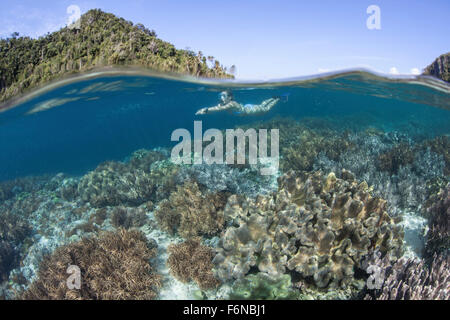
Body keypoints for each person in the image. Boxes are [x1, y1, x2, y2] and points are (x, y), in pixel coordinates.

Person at [195, 90, 282, 115]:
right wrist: (207, 111)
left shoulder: (231, 103)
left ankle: (277, 99)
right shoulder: (224, 103)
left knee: (266, 109)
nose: (221, 98)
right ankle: (272, 98)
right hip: (246, 107)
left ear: (229, 97)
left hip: (249, 110)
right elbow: (217, 107)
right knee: (261, 105)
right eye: (220, 96)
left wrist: (205, 110)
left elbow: (219, 108)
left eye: (223, 96)